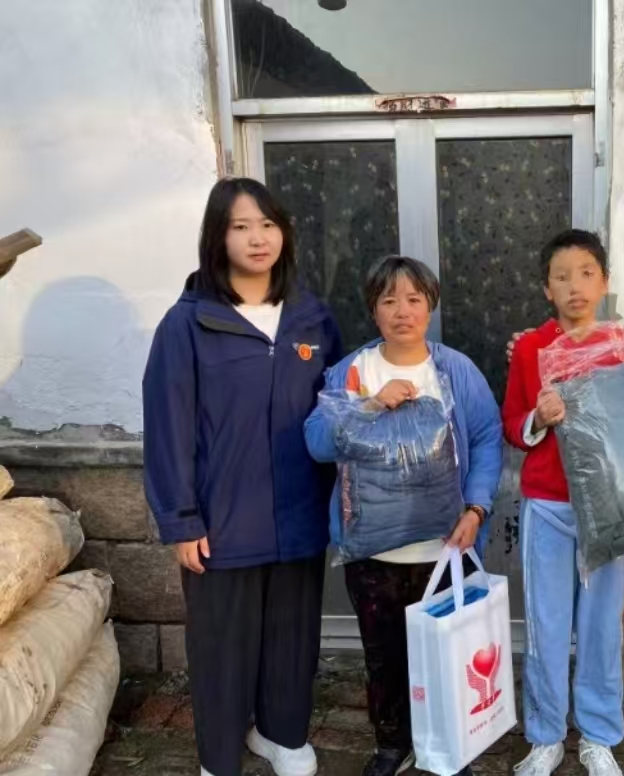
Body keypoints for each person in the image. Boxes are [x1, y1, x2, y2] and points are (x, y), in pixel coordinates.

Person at [143, 177, 343, 776]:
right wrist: (181, 518)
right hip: (222, 519)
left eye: (268, 224)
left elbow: (340, 408)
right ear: (217, 237)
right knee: (222, 646)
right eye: (240, 226)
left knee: (292, 637)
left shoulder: (312, 318)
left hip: (300, 512)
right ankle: (219, 756)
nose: (258, 238)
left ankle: (281, 735)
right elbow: (168, 425)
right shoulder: (189, 324)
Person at [304, 256, 504, 776]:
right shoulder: (352, 371)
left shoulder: (455, 370)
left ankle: (450, 743)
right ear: (373, 309)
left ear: (430, 306)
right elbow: (318, 442)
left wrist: (477, 507)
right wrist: (369, 405)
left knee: (447, 655)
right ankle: (392, 744)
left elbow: (486, 438)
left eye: (414, 299)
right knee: (384, 656)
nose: (402, 311)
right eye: (389, 300)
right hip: (373, 554)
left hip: (446, 549)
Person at [502, 230, 624, 776]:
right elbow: (512, 423)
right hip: (548, 506)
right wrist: (539, 417)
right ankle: (545, 736)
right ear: (546, 289)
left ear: (604, 282)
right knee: (547, 625)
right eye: (561, 276)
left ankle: (599, 736)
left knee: (602, 627)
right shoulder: (531, 349)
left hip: (607, 507)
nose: (574, 286)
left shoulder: (623, 348)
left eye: (586, 273)